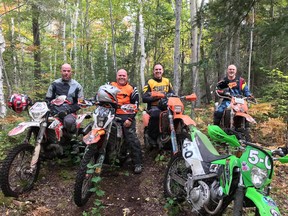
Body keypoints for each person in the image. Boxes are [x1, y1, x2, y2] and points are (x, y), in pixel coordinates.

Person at [109, 69, 143, 174]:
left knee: (131, 138)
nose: (122, 77)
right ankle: (110, 159)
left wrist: (130, 118)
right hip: (111, 115)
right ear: (116, 76)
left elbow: (136, 105)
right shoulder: (110, 85)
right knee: (108, 136)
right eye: (120, 75)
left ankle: (137, 163)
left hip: (126, 115)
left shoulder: (132, 89)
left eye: (124, 75)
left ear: (127, 77)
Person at [45, 63, 84, 143]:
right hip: (54, 111)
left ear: (71, 72)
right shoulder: (54, 84)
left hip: (69, 112)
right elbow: (48, 99)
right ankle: (46, 142)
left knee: (68, 122)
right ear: (61, 71)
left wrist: (68, 111)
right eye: (64, 71)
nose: (66, 73)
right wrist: (51, 110)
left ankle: (72, 142)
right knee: (43, 121)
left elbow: (80, 103)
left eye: (68, 71)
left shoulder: (77, 86)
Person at [142, 63, 174, 145]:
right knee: (156, 115)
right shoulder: (150, 82)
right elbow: (144, 97)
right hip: (154, 106)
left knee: (177, 114)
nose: (158, 71)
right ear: (153, 71)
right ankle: (152, 137)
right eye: (156, 69)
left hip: (166, 105)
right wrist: (157, 97)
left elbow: (172, 93)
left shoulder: (167, 81)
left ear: (162, 71)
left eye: (160, 69)